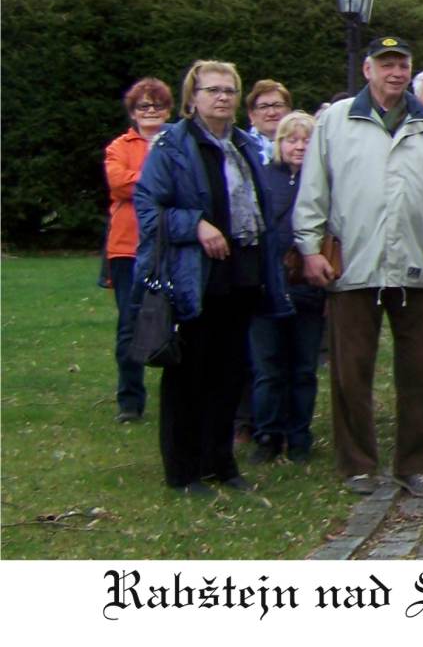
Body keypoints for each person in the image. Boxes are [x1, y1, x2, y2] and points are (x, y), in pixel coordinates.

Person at [294, 35, 423, 498]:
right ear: (368, 70)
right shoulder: (338, 121)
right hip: (354, 264)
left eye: (402, 65)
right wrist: (310, 246)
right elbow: (314, 188)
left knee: (422, 371)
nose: (395, 73)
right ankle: (357, 465)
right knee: (350, 371)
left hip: (416, 263)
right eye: (387, 65)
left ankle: (415, 466)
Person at [136, 60, 293, 495]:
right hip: (193, 277)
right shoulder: (172, 145)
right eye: (212, 90)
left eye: (228, 90)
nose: (221, 97)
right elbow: (149, 212)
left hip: (240, 275)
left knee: (228, 374)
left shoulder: (243, 146)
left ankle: (220, 463)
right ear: (192, 98)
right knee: (189, 376)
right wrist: (197, 225)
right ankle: (184, 472)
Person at [248, 111, 326, 464]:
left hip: (308, 288)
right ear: (279, 144)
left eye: (306, 140)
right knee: (268, 367)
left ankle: (299, 436)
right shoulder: (263, 179)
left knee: (303, 367)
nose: (299, 146)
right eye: (291, 139)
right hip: (268, 287)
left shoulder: (325, 183)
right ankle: (267, 433)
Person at [104, 76, 172, 424]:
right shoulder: (119, 146)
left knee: (179, 319)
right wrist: (160, 182)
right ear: (133, 111)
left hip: (171, 246)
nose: (150, 111)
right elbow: (118, 183)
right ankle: (130, 401)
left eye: (157, 104)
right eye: (143, 105)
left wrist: (142, 180)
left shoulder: (177, 142)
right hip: (127, 249)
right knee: (129, 324)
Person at [244, 80, 292, 162]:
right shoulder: (243, 149)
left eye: (277, 105)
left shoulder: (303, 147)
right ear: (251, 115)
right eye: (263, 107)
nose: (271, 113)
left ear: (288, 111)